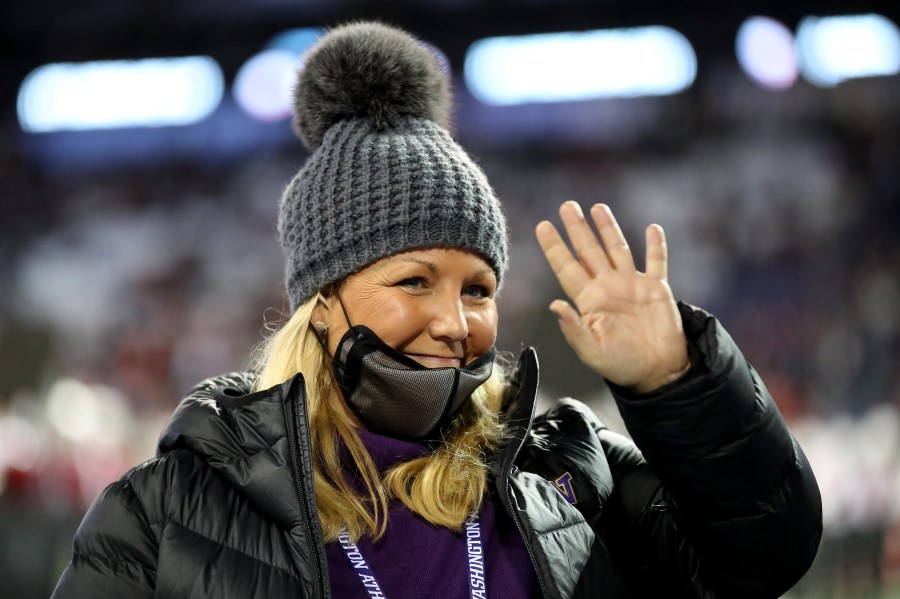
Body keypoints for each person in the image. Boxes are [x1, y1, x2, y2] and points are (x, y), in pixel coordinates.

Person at [51, 21, 822, 599]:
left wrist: (677, 381)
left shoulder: (566, 467)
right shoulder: (166, 511)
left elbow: (762, 556)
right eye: (415, 281)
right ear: (322, 304)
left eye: (478, 288)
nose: (455, 322)